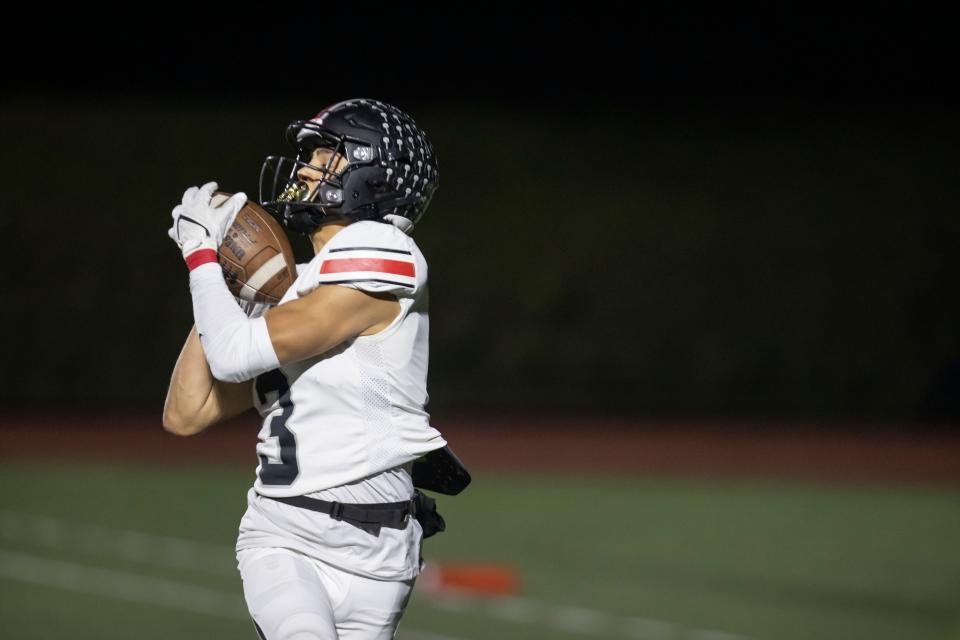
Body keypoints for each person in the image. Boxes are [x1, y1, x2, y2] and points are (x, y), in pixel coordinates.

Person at [163, 98, 463, 640]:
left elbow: (233, 355)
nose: (304, 168)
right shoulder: (288, 288)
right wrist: (227, 282)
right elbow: (188, 412)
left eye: (326, 156)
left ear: (372, 172)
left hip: (382, 558)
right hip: (285, 536)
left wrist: (202, 259)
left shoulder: (384, 249)